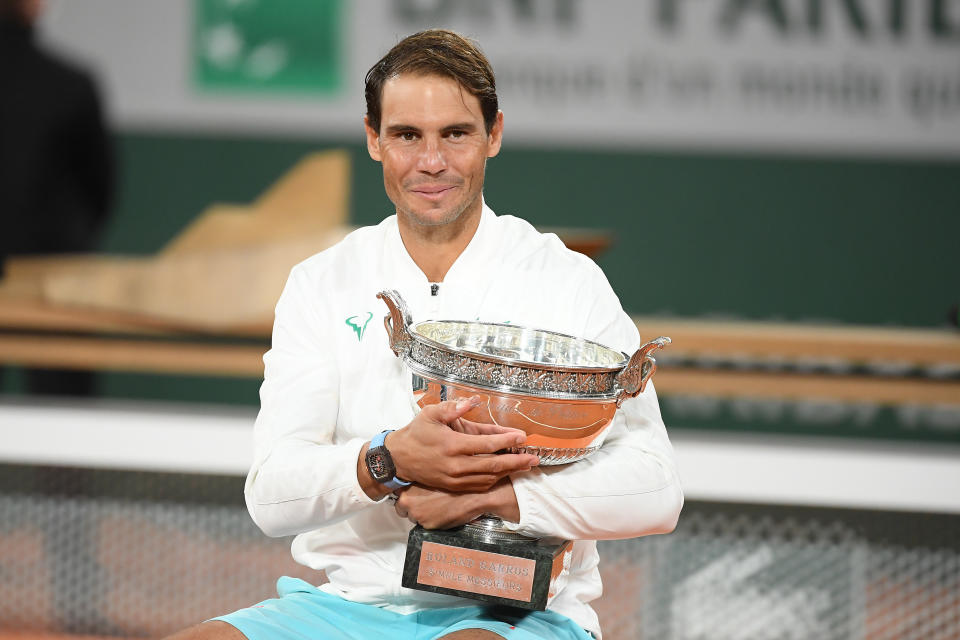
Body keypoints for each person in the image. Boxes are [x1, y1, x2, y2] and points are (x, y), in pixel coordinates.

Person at [167, 29, 682, 640]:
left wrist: (492, 500)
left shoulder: (565, 279)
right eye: (407, 135)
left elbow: (656, 488)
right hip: (346, 610)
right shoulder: (322, 283)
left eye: (455, 134)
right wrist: (386, 461)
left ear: (493, 135)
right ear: (373, 139)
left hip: (519, 613)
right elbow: (272, 495)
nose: (430, 161)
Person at [0, 0, 113, 396]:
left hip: (54, 278)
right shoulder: (68, 84)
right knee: (63, 411)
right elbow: (99, 188)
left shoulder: (70, 84)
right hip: (53, 276)